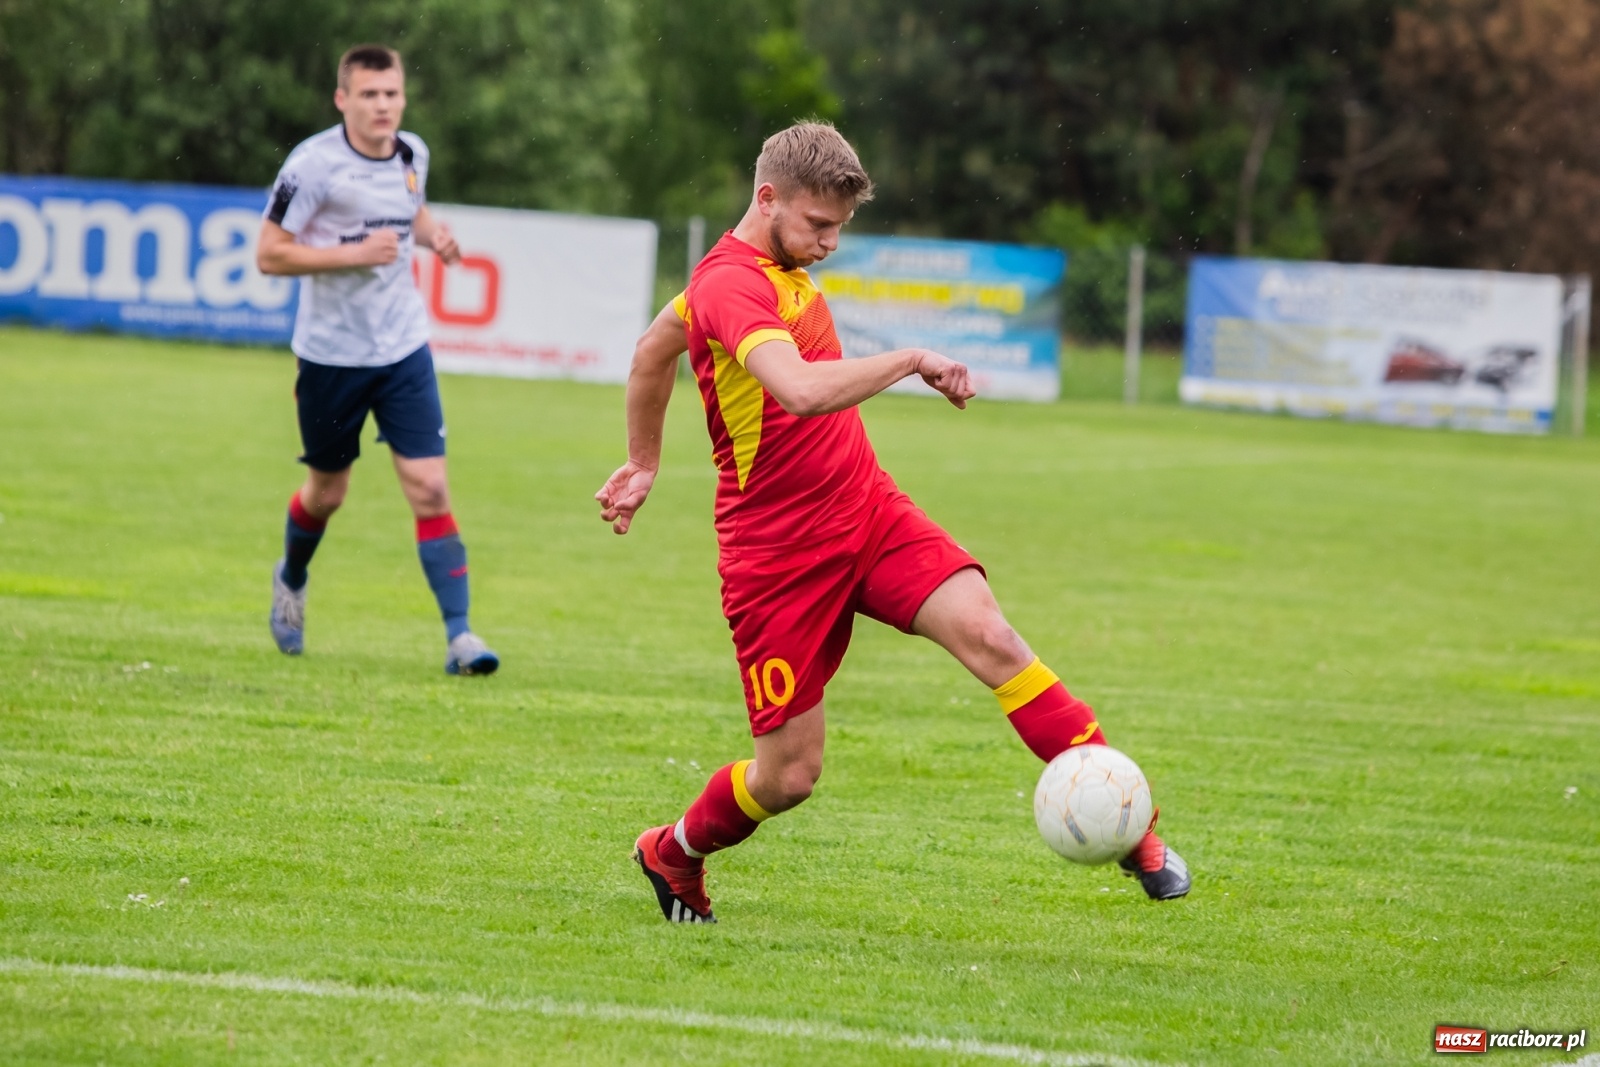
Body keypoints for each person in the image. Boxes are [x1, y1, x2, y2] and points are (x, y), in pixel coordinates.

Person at [595, 121, 1188, 923]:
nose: (832, 243)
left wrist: (644, 462)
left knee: (993, 637)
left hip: (867, 510)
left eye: (841, 227)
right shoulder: (730, 284)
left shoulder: (776, 262)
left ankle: (1137, 828)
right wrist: (910, 358)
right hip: (777, 556)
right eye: (819, 225)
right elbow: (797, 389)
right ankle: (673, 850)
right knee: (789, 776)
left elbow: (651, 351)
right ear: (767, 199)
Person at [256, 44, 497, 676]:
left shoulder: (413, 153)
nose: (383, 105)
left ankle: (461, 638)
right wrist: (352, 253)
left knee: (430, 485)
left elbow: (407, 210)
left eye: (391, 93)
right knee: (328, 493)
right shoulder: (311, 167)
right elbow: (270, 254)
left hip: (401, 348)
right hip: (331, 358)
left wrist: (432, 234)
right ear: (343, 100)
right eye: (369, 94)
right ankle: (293, 576)